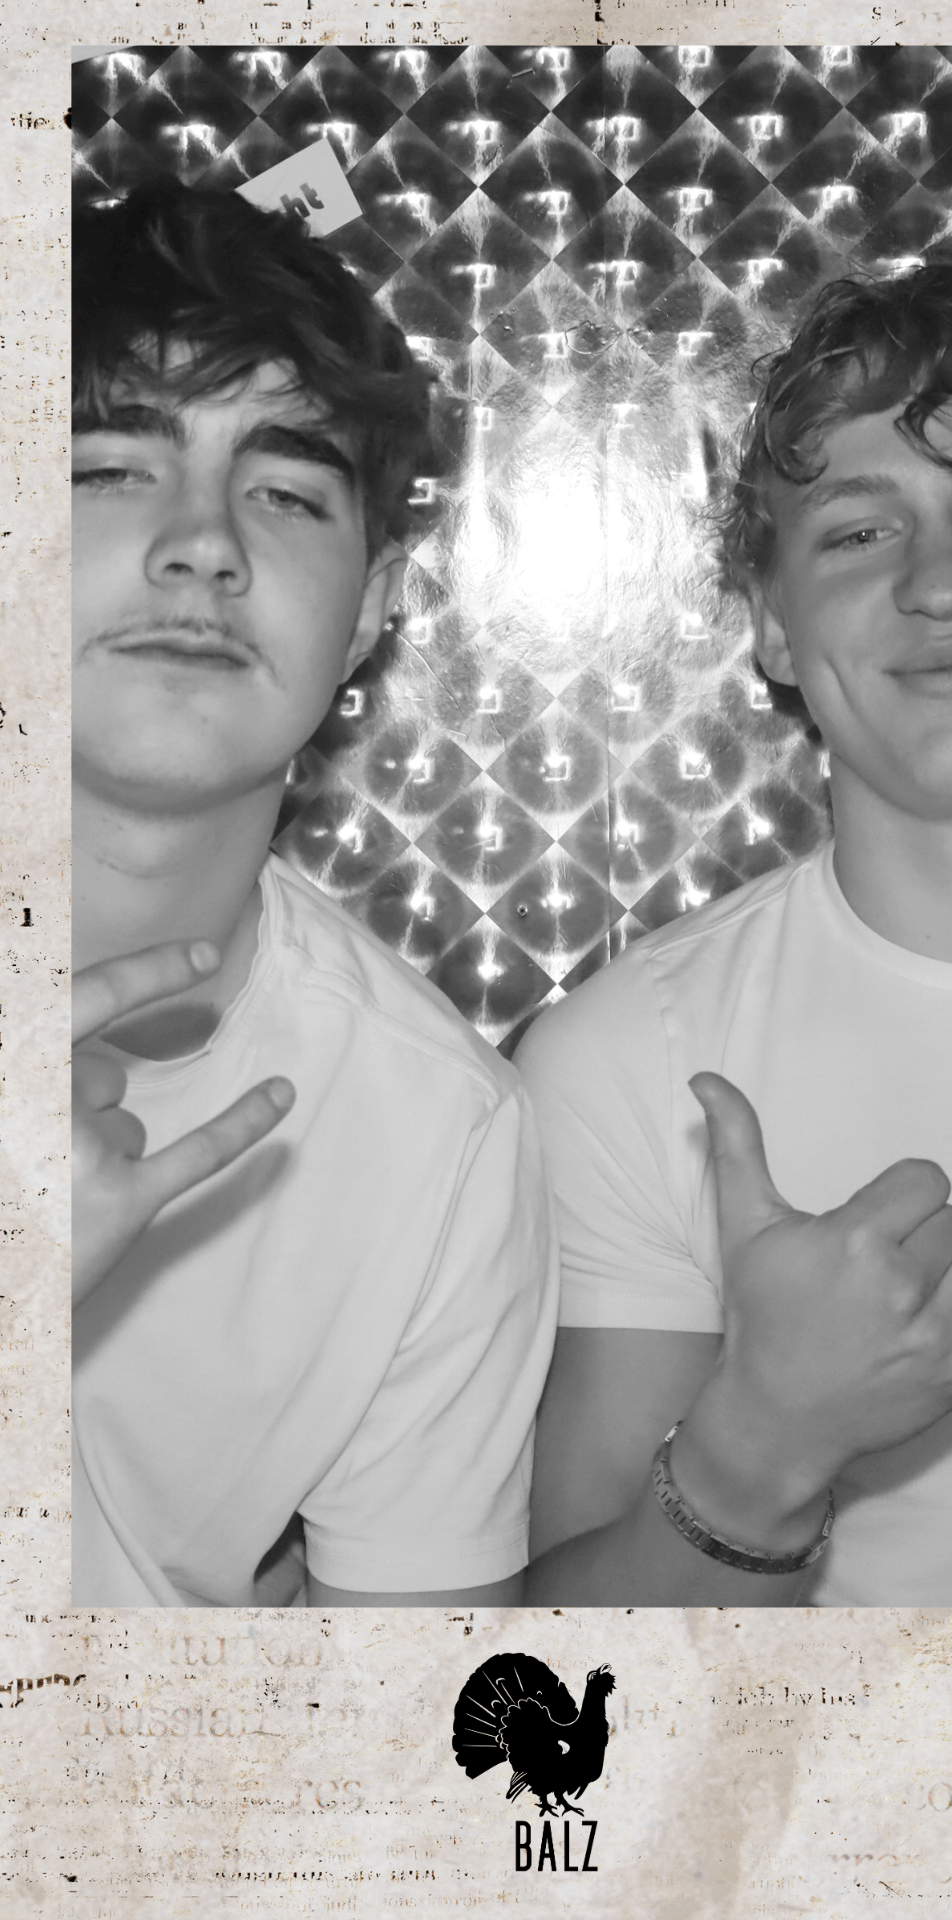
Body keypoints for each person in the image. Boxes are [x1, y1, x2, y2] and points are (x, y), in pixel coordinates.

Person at [71, 182, 559, 1607]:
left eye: (284, 493)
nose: (204, 543)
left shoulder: (436, 1133)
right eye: (108, 469)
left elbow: (408, 1717)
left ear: (371, 608)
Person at [518, 261, 952, 1606]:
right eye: (859, 532)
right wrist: (766, 1441)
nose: (947, 579)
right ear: (774, 630)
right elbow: (563, 1664)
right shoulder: (637, 1067)